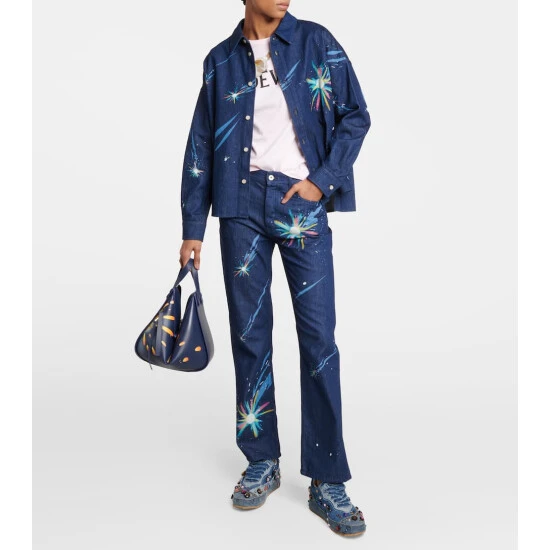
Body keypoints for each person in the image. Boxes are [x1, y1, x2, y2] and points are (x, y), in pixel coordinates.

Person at [179, 0, 371, 536]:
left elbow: (356, 114)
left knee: (319, 341)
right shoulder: (220, 61)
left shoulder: (315, 42)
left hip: (299, 205)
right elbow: (200, 143)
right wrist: (193, 226)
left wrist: (321, 182)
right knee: (249, 337)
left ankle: (327, 478)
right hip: (239, 208)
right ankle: (261, 459)